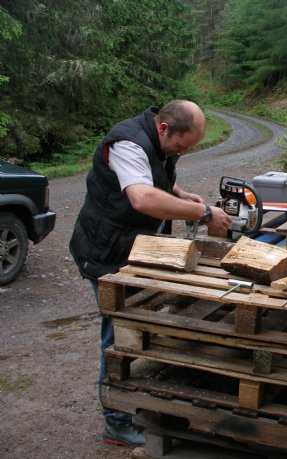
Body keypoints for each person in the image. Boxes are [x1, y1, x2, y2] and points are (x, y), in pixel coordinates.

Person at [69, 100, 232, 448]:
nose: (182, 153)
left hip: (129, 249)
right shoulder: (127, 142)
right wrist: (202, 212)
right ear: (163, 128)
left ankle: (133, 400)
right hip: (104, 252)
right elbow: (142, 197)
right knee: (117, 334)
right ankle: (115, 423)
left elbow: (151, 175)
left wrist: (179, 193)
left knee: (133, 326)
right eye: (181, 146)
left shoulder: (156, 141)